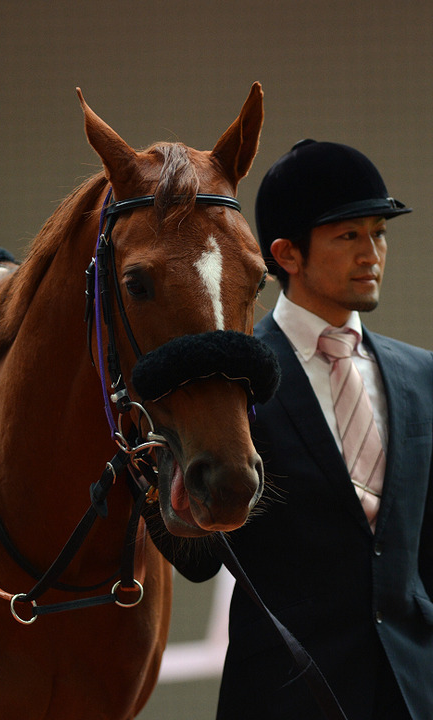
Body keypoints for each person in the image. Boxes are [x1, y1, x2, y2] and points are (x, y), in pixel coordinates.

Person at [156, 140, 433, 720]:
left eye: (379, 233)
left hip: (415, 691)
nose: (372, 254)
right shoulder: (228, 379)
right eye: (348, 236)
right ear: (286, 254)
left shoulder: (422, 375)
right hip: (284, 697)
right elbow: (199, 558)